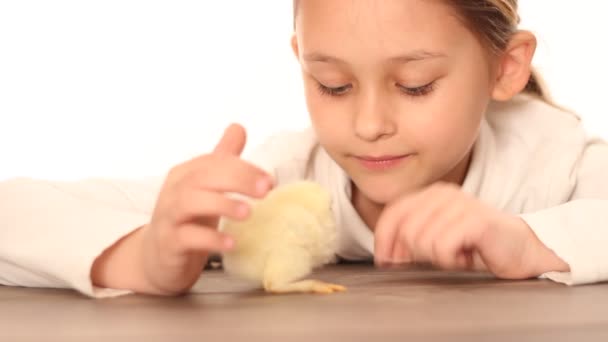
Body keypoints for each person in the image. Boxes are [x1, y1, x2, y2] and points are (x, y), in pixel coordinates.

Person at [1, 0, 607, 298]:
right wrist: (141, 257)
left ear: (506, 67)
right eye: (333, 85)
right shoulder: (288, 179)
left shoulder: (555, 158)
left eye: (415, 86)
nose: (368, 124)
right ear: (302, 63)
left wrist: (529, 240)